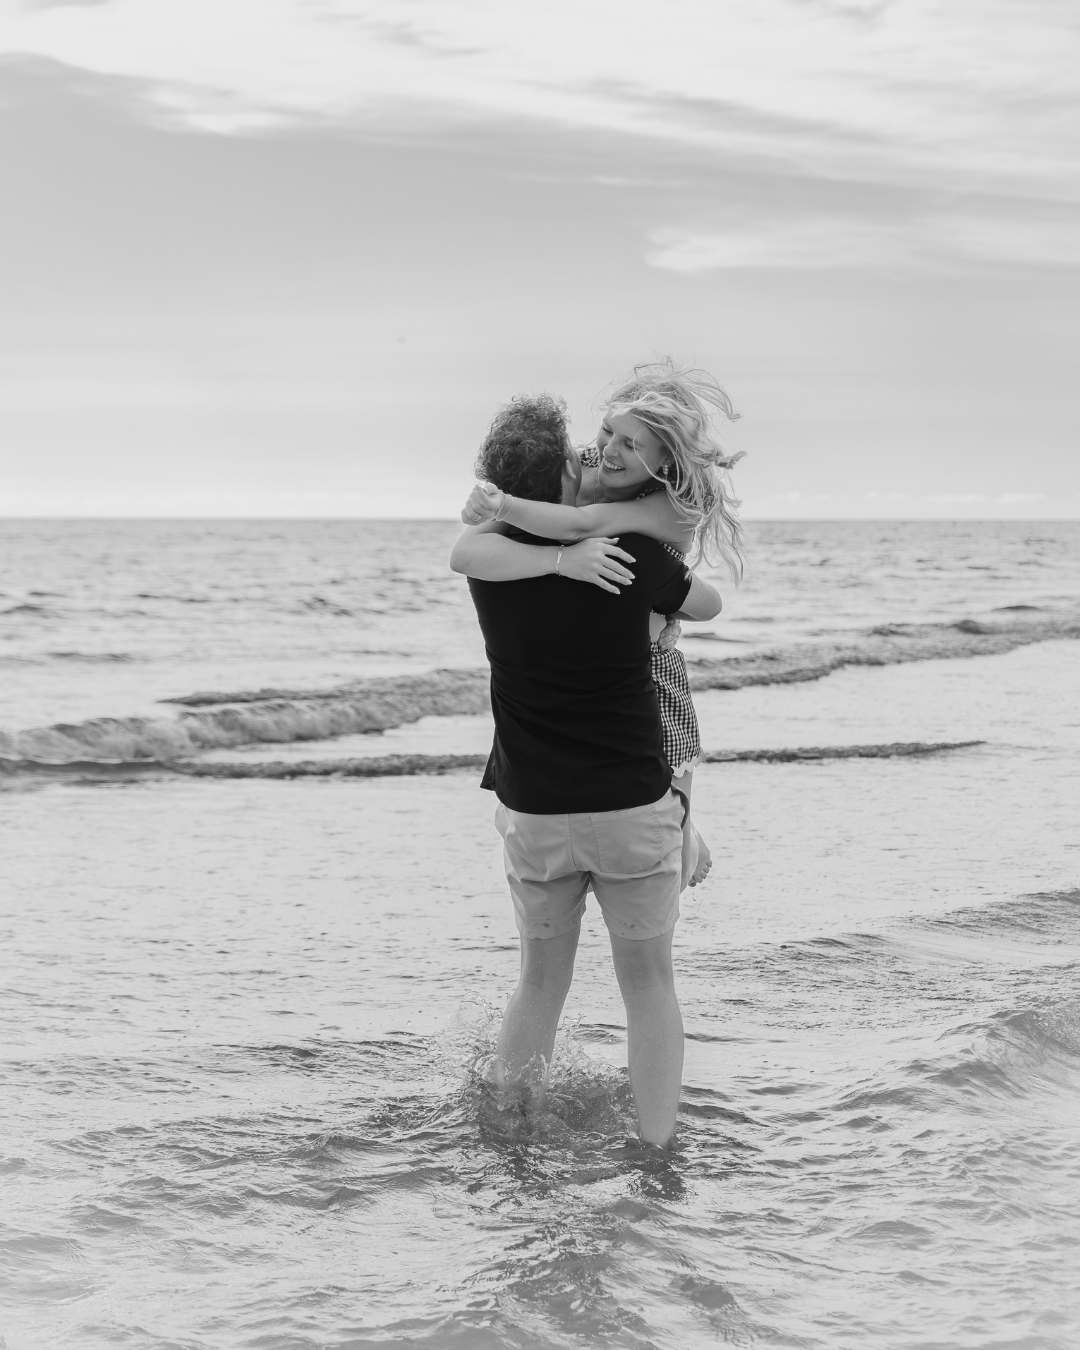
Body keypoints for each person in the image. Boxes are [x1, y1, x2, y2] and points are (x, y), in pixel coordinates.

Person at [450, 392, 724, 1147]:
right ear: (564, 487)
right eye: (580, 454)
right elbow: (706, 603)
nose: (591, 459)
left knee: (539, 982)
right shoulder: (634, 559)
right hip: (630, 804)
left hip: (535, 808)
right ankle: (657, 1152)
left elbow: (467, 544)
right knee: (649, 986)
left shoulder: (491, 565)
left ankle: (509, 1135)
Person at [457, 359, 745, 888]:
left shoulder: (671, 506)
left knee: (670, 750)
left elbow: (584, 524)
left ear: (665, 460)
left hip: (650, 643)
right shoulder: (592, 461)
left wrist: (507, 506)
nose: (608, 451)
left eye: (632, 445)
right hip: (610, 634)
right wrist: (490, 503)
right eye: (608, 431)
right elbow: (473, 542)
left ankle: (682, 828)